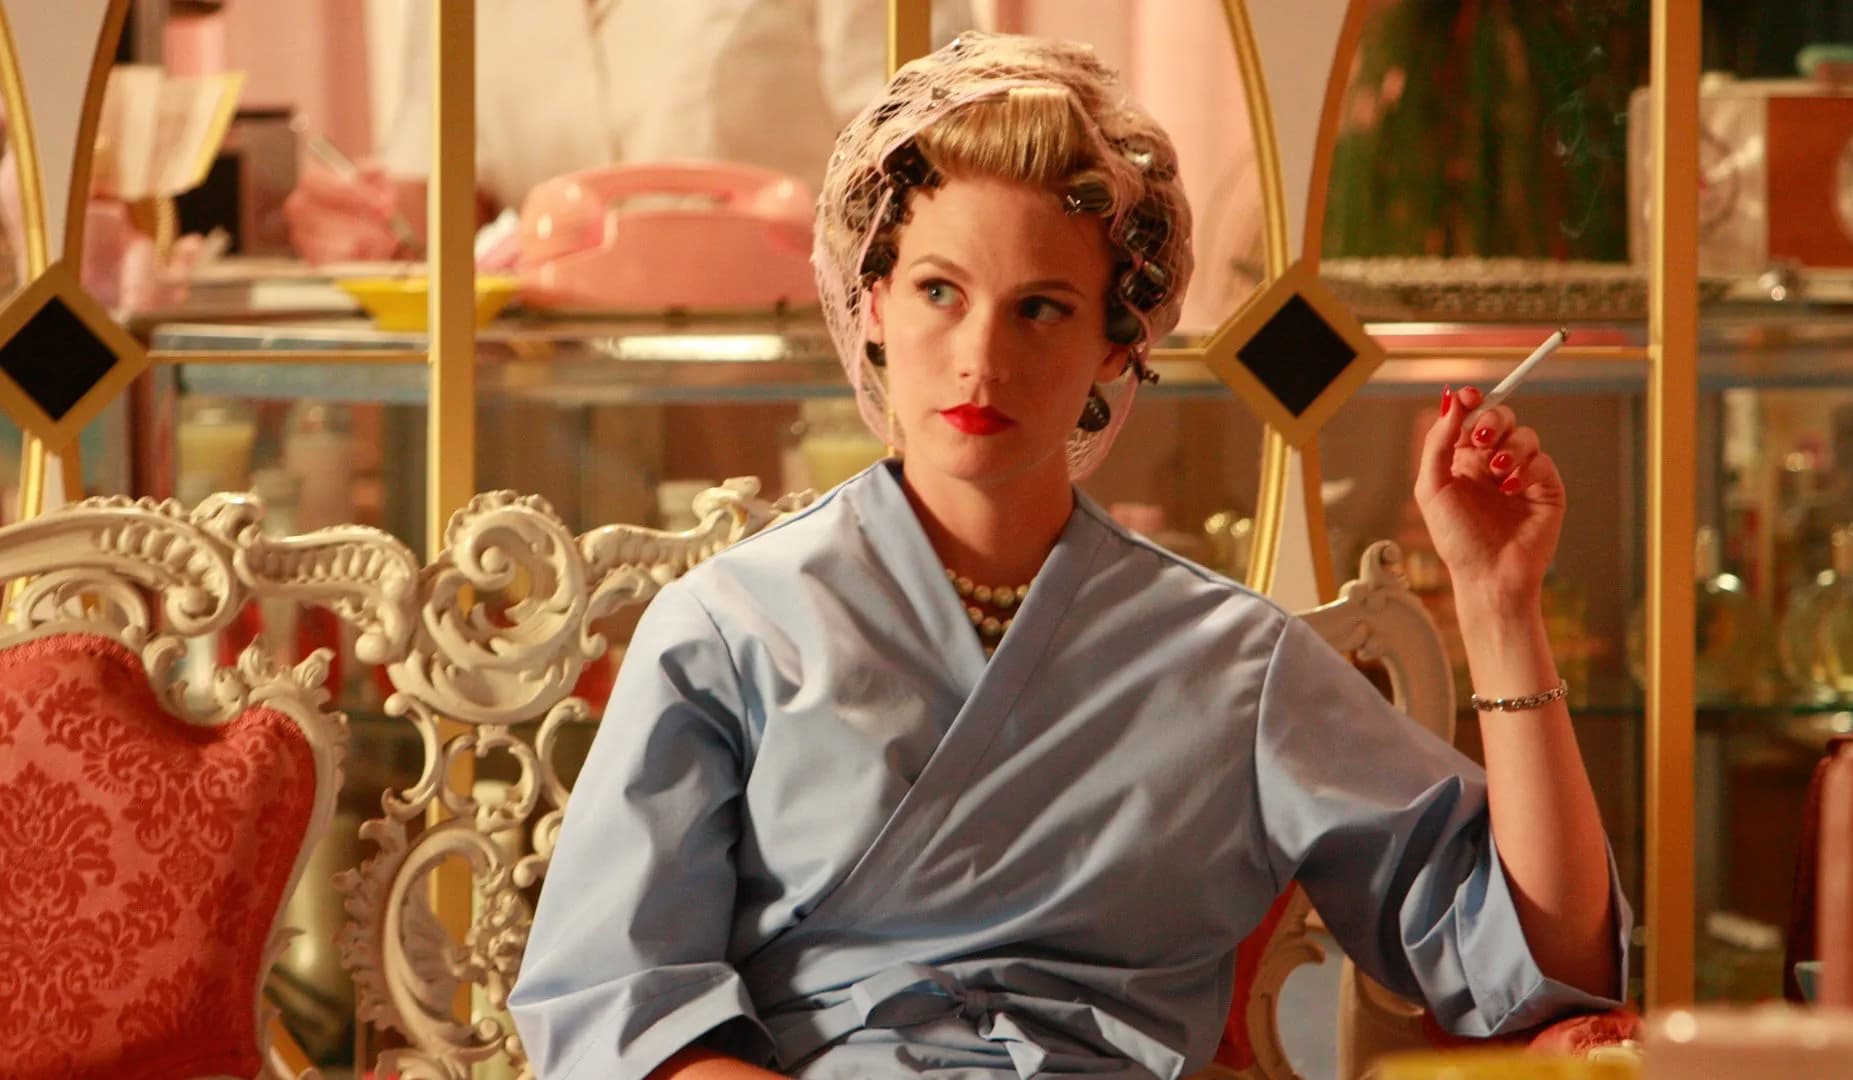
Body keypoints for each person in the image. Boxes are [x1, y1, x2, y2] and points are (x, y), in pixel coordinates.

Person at [507, 31, 1628, 1080]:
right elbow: (616, 1006)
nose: (981, 358)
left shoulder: (1229, 663)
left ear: (1115, 347)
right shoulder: (729, 630)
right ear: (872, 304)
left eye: (1041, 309)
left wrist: (1499, 606)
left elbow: (1538, 967)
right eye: (940, 292)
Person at [283, 0, 973, 264]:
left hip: (804, 409)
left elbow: (947, 183)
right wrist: (362, 225)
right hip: (547, 423)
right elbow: (438, 212)